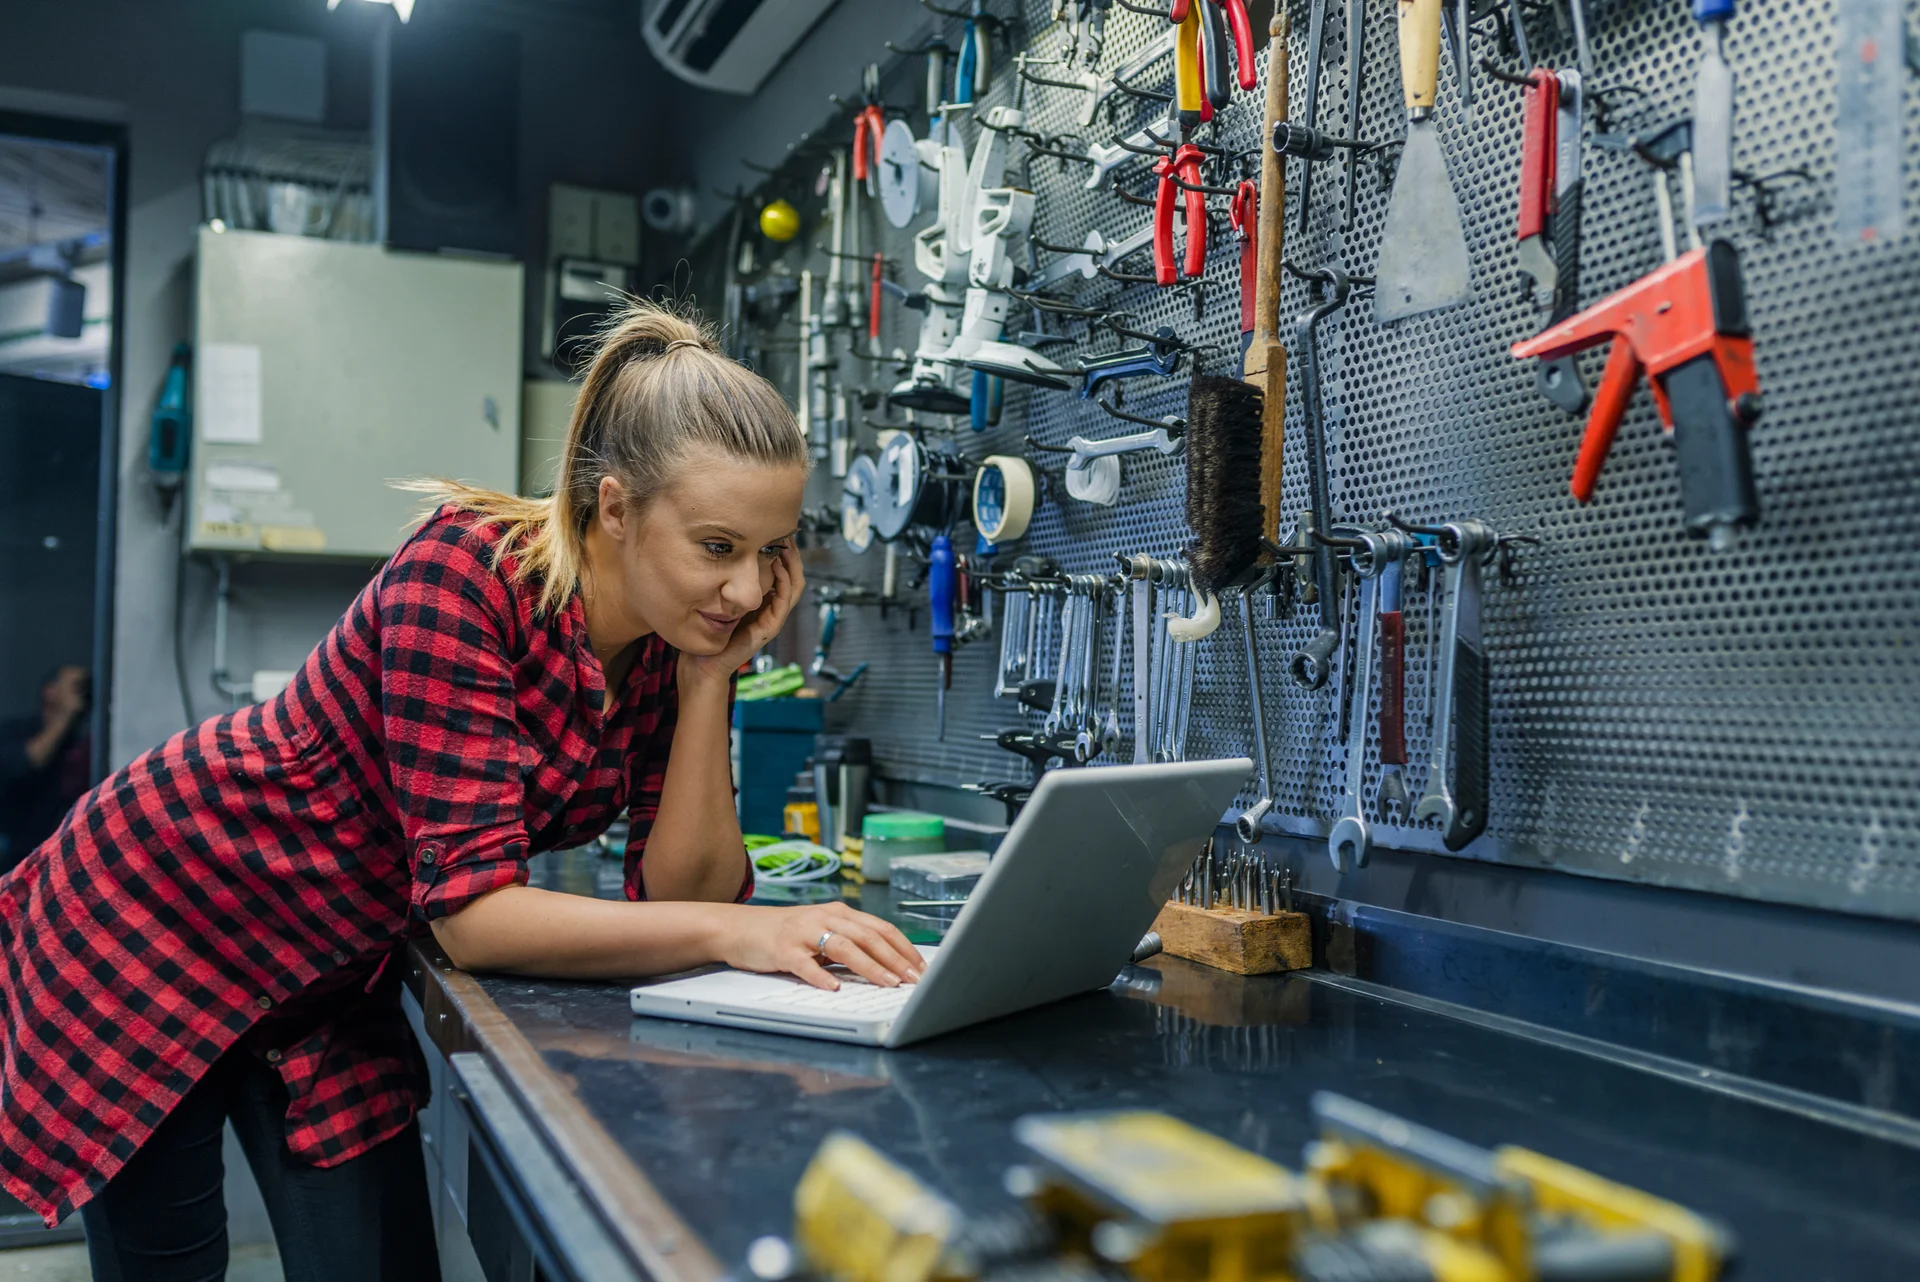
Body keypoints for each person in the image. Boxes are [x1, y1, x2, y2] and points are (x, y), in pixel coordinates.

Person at [0, 303, 925, 1281]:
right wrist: (748, 933)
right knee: (167, 1267)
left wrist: (711, 679)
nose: (745, 591)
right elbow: (477, 919)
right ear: (615, 508)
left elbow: (685, 899)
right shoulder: (465, 572)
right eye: (717, 547)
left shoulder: (671, 644)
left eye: (769, 551)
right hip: (164, 908)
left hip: (326, 974)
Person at [0, 664, 90, 874]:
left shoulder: (81, 748)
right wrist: (64, 718)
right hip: (15, 857)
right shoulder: (15, 733)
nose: (82, 694)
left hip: (59, 860)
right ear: (50, 692)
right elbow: (24, 765)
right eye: (75, 686)